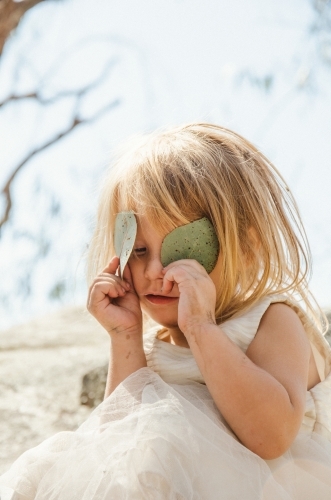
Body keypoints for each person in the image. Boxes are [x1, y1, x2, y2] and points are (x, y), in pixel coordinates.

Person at [1, 123, 331, 499]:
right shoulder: (153, 351)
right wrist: (124, 338)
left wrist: (201, 328)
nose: (155, 270)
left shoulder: (270, 320)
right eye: (138, 251)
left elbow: (270, 437)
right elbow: (109, 442)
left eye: (185, 248)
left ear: (248, 248)